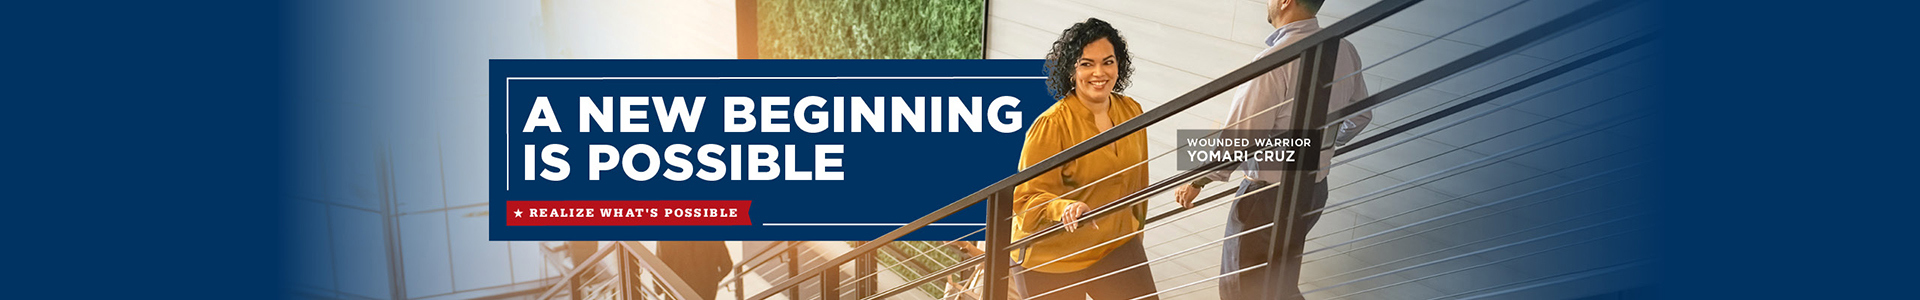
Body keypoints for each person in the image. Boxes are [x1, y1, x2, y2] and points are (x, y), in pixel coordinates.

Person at [1170, 0, 1373, 299]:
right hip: (1314, 192)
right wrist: (1320, 147)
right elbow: (1361, 116)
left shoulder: (1273, 61)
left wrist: (1195, 180)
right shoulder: (1344, 50)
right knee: (1279, 284)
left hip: (1266, 200)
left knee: (1240, 291)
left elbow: (1237, 138)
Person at [1010, 17, 1159, 300]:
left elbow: (1138, 183)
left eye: (1108, 61)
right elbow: (1025, 201)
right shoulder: (1052, 125)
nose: (1099, 73)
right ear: (1071, 70)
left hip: (1114, 245)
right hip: (1052, 260)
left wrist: (1135, 234)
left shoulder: (1131, 112)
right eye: (1086, 64)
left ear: (1119, 65)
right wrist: (1063, 207)